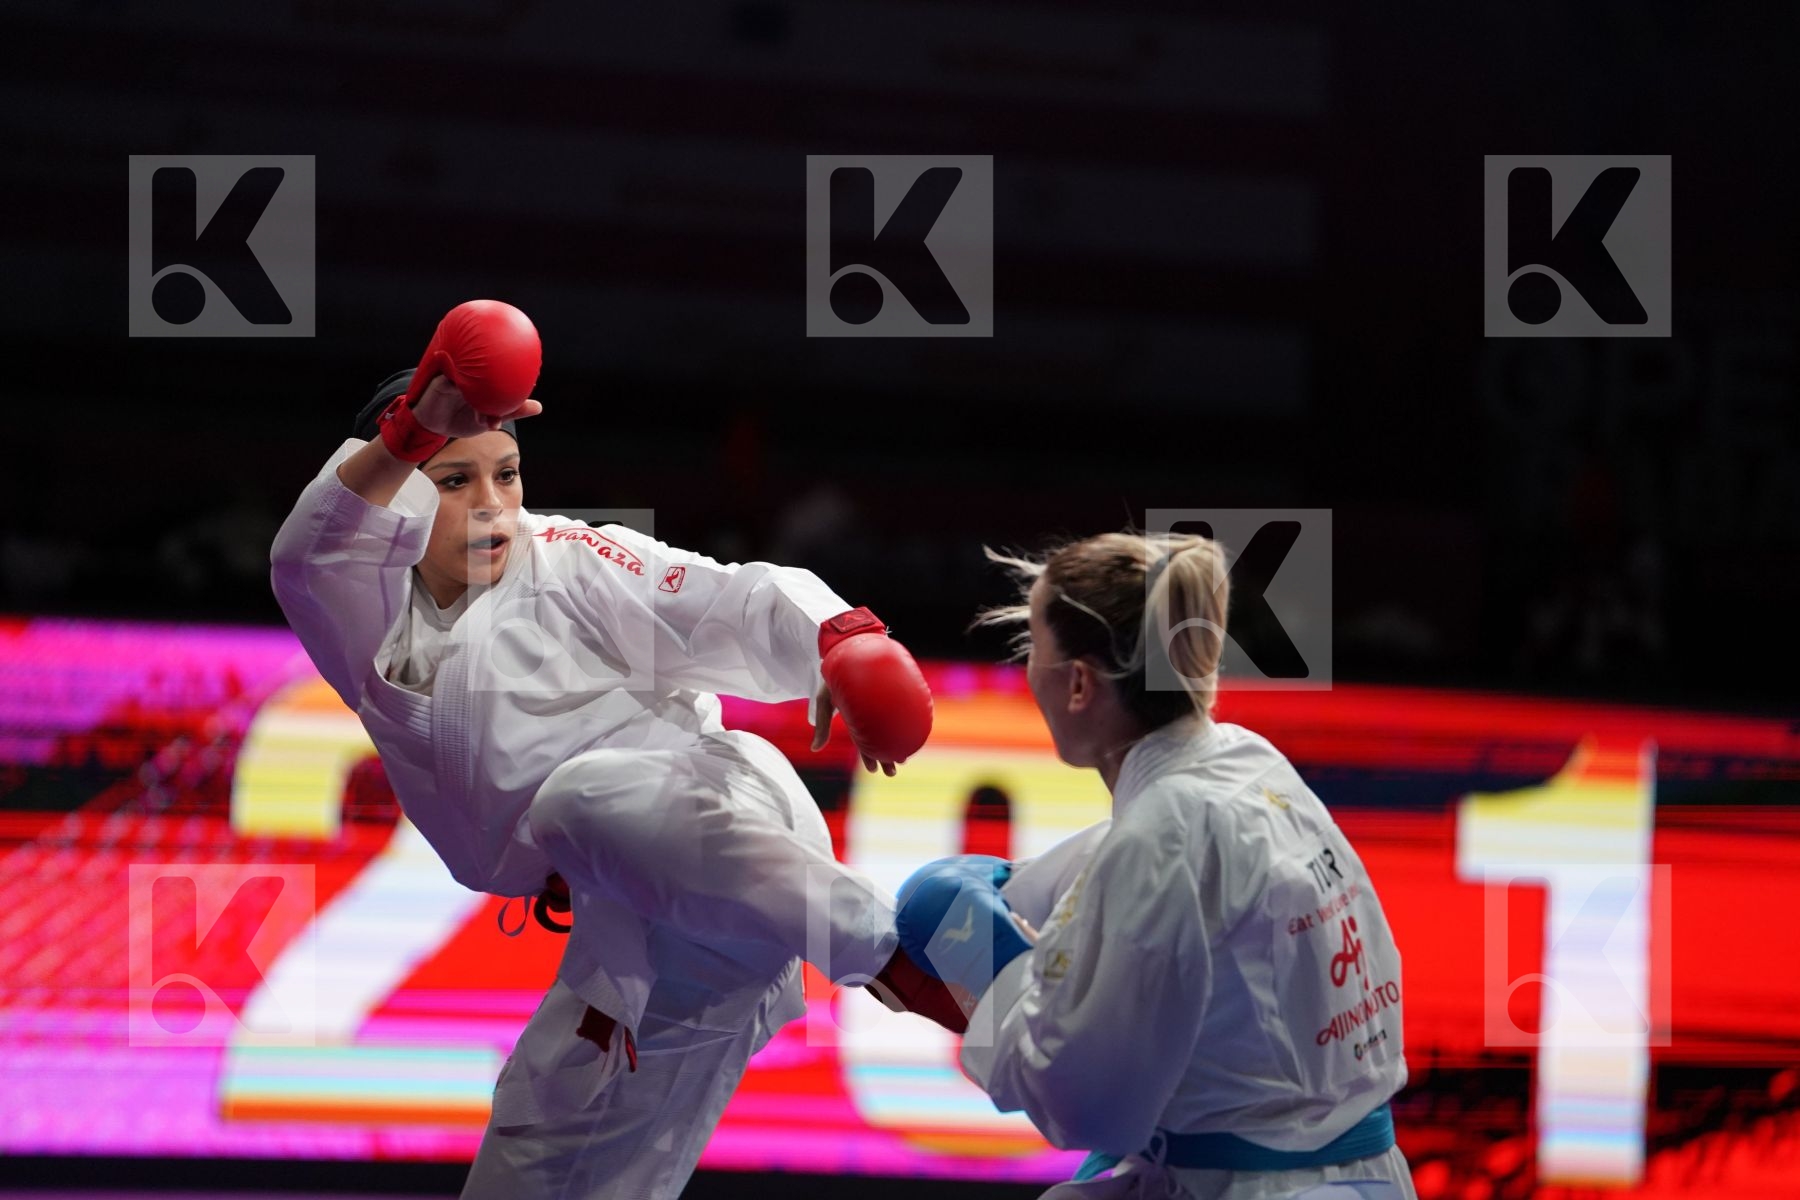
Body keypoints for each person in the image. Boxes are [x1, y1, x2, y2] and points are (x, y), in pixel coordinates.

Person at [269, 319, 953, 1199]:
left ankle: (909, 958)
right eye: (453, 480)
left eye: (507, 473)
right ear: (400, 499)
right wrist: (409, 427)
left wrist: (842, 641)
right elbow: (307, 555)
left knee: (574, 797)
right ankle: (919, 956)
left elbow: (727, 599)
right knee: (543, 1162)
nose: (492, 504)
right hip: (638, 933)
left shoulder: (569, 561)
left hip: (730, 812)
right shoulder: (370, 616)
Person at [890, 532, 1415, 1200]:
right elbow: (1135, 864)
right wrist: (1005, 887)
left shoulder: (1158, 835)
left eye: (1033, 651)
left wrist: (990, 962)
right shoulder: (1244, 761)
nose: (1028, 674)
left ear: (1078, 683)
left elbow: (1089, 1106)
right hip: (1336, 1171)